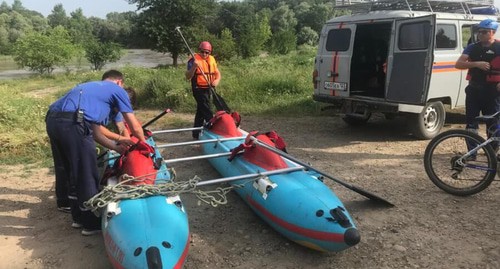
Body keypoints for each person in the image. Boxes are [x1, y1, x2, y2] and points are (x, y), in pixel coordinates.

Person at [45, 70, 145, 236]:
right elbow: (134, 126)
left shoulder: (92, 91)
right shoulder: (118, 90)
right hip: (74, 123)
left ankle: (78, 218)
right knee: (86, 173)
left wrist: (116, 147)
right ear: (120, 82)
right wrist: (141, 145)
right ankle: (90, 223)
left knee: (72, 170)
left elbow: (96, 133)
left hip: (53, 121)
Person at [455, 19, 500, 151]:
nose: (480, 34)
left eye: (484, 32)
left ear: (492, 32)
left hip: (493, 91)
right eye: (479, 32)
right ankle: (472, 152)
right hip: (474, 89)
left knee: (493, 122)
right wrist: (476, 64)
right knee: (471, 123)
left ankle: (491, 152)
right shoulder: (472, 47)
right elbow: (458, 64)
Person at [185, 41, 221, 139]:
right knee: (206, 108)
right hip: (198, 88)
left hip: (209, 87)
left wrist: (216, 81)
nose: (204, 54)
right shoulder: (193, 60)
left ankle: (196, 134)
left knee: (201, 110)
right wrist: (194, 67)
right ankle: (213, 125)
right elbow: (188, 76)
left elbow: (217, 73)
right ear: (199, 50)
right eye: (202, 52)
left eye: (207, 52)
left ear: (210, 52)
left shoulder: (212, 59)